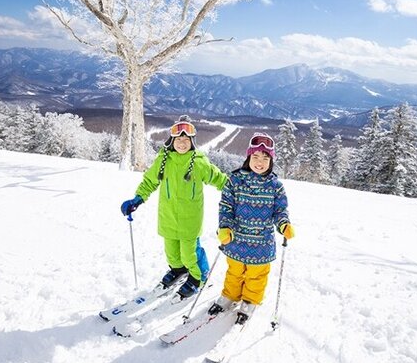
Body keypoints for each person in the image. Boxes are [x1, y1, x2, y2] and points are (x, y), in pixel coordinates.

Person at [120, 115, 228, 299]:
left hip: (189, 219)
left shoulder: (199, 163)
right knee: (171, 253)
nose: (182, 143)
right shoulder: (163, 161)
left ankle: (198, 276)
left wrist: (238, 191)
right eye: (179, 139)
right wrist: (138, 199)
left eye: (187, 140)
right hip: (168, 217)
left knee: (190, 253)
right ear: (172, 140)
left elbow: (219, 179)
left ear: (192, 142)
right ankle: (178, 270)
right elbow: (149, 182)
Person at [208, 132, 295, 324]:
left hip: (261, 242)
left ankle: (249, 300)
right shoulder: (235, 181)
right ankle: (230, 296)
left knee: (256, 275)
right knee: (234, 271)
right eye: (256, 156)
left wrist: (284, 225)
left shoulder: (276, 186)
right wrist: (224, 227)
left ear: (271, 161)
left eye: (265, 158)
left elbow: (280, 210)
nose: (260, 162)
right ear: (248, 157)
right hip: (236, 238)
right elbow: (226, 206)